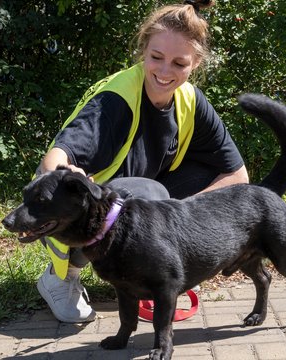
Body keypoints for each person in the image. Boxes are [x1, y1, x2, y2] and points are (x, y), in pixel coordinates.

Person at [36, 0, 249, 323]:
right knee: (149, 195)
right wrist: (62, 174)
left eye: (179, 63)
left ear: (196, 64)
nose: (165, 72)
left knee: (206, 175)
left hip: (131, 210)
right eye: (156, 58)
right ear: (142, 52)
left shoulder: (191, 99)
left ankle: (150, 265)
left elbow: (237, 176)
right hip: (80, 215)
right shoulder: (116, 100)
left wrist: (189, 223)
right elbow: (56, 156)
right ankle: (60, 278)